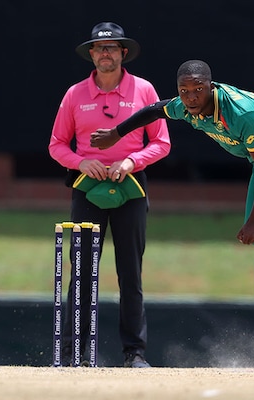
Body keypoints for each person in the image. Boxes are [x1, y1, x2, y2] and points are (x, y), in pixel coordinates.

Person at [90, 59, 254, 355]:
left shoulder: (241, 113)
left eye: (198, 89)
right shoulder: (186, 107)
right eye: (185, 91)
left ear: (211, 86)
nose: (192, 97)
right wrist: (116, 133)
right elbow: (155, 110)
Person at [49, 22, 171, 367]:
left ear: (123, 53)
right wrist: (82, 162)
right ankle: (75, 353)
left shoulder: (144, 90)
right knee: (83, 271)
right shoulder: (75, 95)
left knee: (130, 273)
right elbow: (57, 145)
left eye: (112, 48)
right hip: (88, 189)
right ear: (91, 54)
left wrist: (132, 161)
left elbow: (161, 142)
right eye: (100, 48)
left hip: (130, 188)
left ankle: (134, 353)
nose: (105, 54)